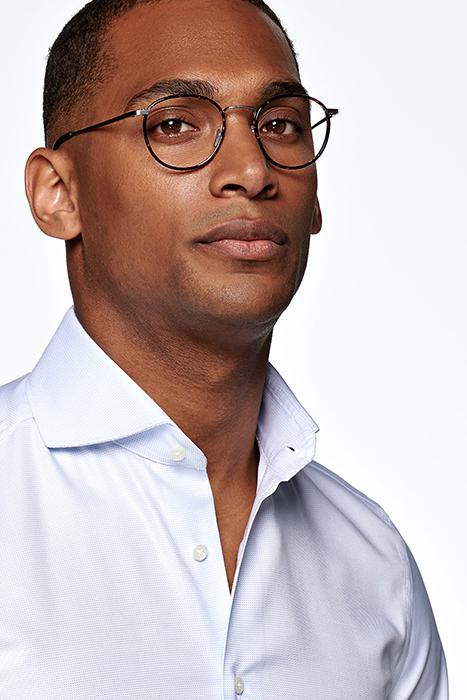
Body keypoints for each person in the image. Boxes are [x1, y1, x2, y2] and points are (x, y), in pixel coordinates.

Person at [0, 0, 448, 697]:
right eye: (175, 124)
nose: (251, 169)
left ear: (315, 199)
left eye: (279, 125)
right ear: (59, 193)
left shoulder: (373, 565)